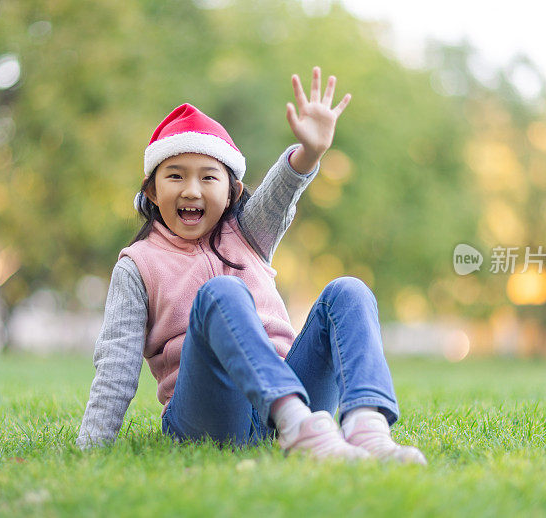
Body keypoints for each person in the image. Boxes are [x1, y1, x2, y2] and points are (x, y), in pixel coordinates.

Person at [76, 66, 426, 464]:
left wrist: (309, 152)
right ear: (153, 191)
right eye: (175, 176)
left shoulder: (249, 233)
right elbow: (116, 365)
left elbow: (283, 191)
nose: (191, 189)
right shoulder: (137, 265)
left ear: (232, 193)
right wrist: (91, 449)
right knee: (220, 294)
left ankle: (366, 428)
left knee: (350, 290)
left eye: (209, 177)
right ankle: (299, 426)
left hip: (293, 398)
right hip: (209, 416)